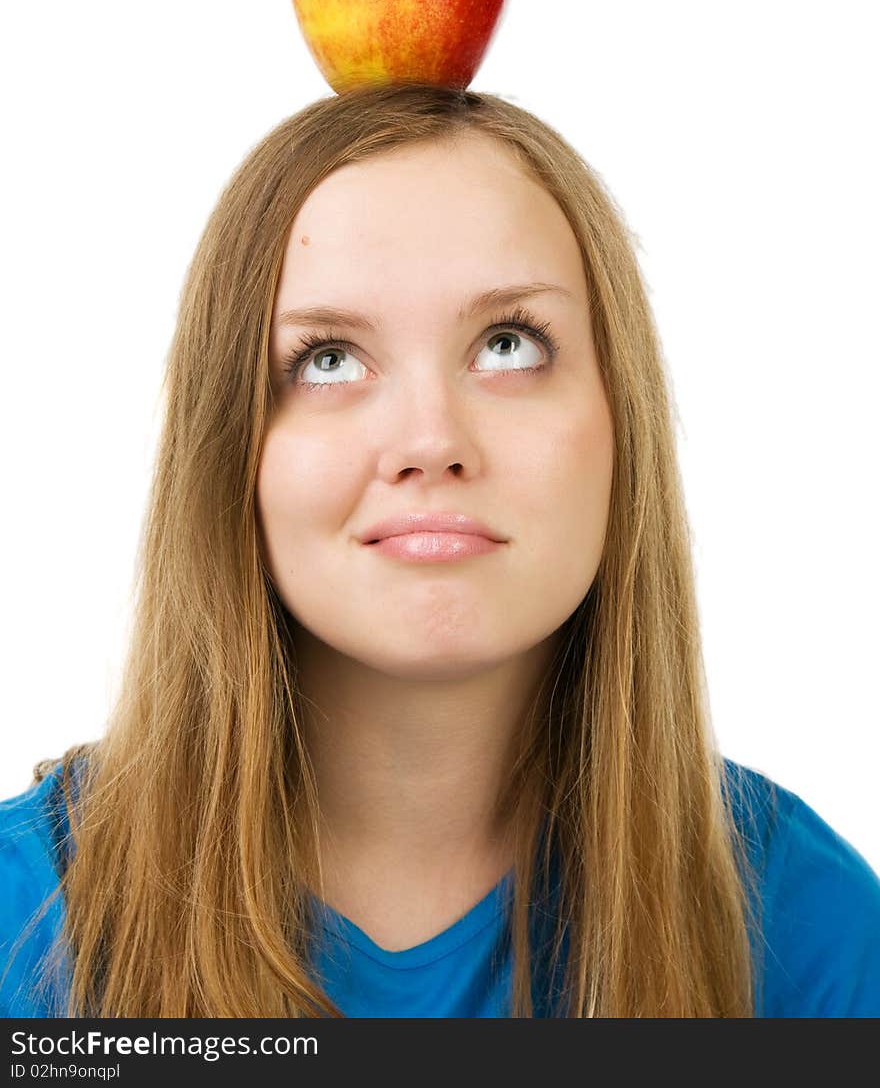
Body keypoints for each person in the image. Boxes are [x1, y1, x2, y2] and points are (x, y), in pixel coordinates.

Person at [2, 82, 879, 1018]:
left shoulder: (803, 923)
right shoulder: (27, 916)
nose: (429, 440)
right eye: (329, 358)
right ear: (227, 450)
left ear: (623, 423)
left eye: (508, 345)